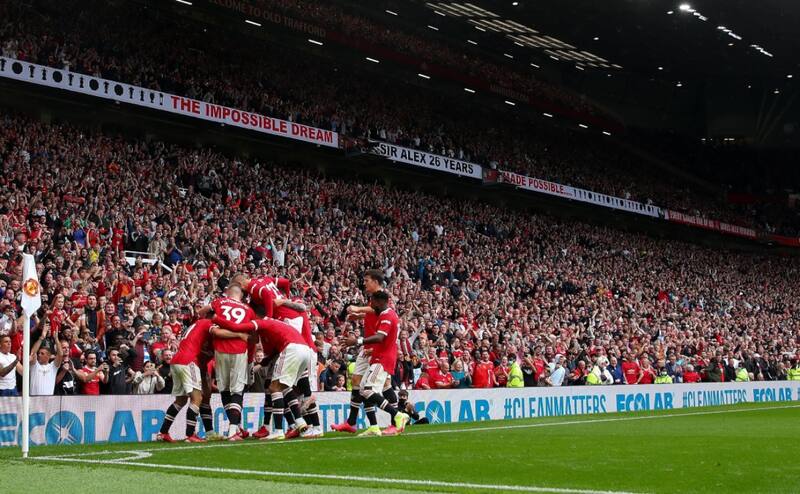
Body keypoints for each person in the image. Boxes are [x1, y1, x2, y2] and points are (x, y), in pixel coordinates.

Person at [158, 318, 246, 443]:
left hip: (177, 361)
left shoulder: (198, 328)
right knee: (197, 398)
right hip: (189, 361)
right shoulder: (208, 323)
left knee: (181, 400)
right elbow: (217, 333)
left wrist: (205, 379)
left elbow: (203, 357)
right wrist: (239, 334)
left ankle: (163, 432)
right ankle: (190, 435)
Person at [332, 269, 391, 435]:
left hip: (376, 348)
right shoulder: (373, 300)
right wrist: (357, 316)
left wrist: (358, 309)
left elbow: (379, 312)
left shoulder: (382, 297)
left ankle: (397, 417)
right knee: (358, 382)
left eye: (366, 280)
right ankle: (357, 423)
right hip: (368, 346)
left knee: (375, 387)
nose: (364, 283)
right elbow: (372, 316)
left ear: (375, 281)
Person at [343, 291, 409, 436]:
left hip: (383, 359)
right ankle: (374, 427)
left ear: (380, 302)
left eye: (372, 302)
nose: (371, 305)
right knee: (363, 391)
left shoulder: (387, 315)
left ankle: (398, 415)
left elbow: (380, 338)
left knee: (368, 391)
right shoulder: (384, 314)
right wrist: (359, 315)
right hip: (378, 357)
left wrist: (357, 341)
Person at [198, 283, 256, 440]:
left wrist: (212, 321)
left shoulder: (219, 302)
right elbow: (253, 333)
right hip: (239, 349)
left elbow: (201, 312)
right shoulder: (248, 310)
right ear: (241, 295)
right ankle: (232, 430)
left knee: (224, 388)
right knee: (237, 389)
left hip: (220, 348)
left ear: (228, 292)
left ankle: (234, 427)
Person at [29, 325, 62, 396]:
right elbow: (32, 353)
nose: (39, 355)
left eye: (42, 353)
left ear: (48, 356)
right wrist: (42, 337)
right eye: (39, 353)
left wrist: (56, 339)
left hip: (48, 402)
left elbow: (60, 354)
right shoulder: (34, 365)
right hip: (34, 402)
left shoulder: (53, 367)